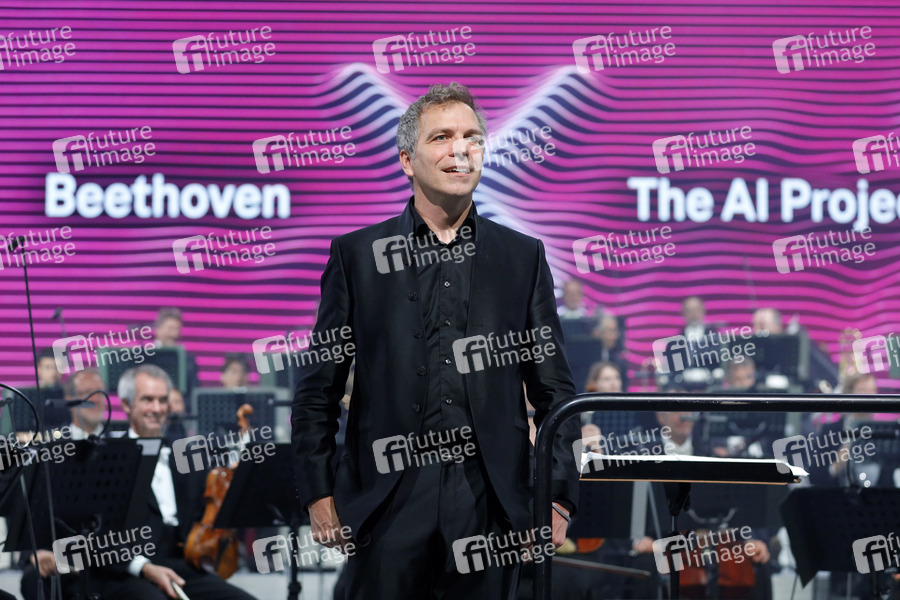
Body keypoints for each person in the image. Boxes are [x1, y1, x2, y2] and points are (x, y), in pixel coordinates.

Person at [292, 82, 579, 599]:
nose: (460, 149)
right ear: (407, 160)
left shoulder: (522, 257)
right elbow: (319, 389)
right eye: (442, 137)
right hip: (387, 499)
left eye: (471, 137)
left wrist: (558, 496)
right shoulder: (357, 256)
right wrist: (318, 493)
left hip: (491, 504)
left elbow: (555, 392)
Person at [92, 365, 256, 600]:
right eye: (147, 400)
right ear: (127, 405)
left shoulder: (185, 455)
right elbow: (98, 535)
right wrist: (144, 567)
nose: (157, 408)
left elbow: (207, 509)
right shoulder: (109, 459)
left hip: (182, 565)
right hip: (129, 571)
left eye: (163, 400)